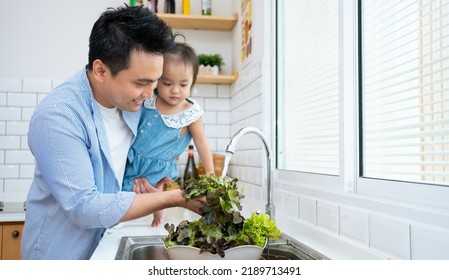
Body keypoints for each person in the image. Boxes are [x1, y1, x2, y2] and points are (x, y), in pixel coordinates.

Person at [21, 5, 205, 260]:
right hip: (60, 256)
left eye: (155, 81)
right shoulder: (58, 115)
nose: (151, 93)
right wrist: (175, 198)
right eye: (141, 83)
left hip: (104, 245)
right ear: (100, 71)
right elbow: (83, 206)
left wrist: (148, 187)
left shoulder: (131, 105)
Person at [122, 40, 214, 226]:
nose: (175, 90)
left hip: (157, 167)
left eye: (183, 84)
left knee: (153, 193)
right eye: (167, 82)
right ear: (157, 80)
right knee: (124, 195)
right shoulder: (148, 101)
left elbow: (202, 143)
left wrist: (211, 174)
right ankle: (121, 222)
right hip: (131, 158)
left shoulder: (190, 113)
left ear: (192, 83)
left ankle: (158, 216)